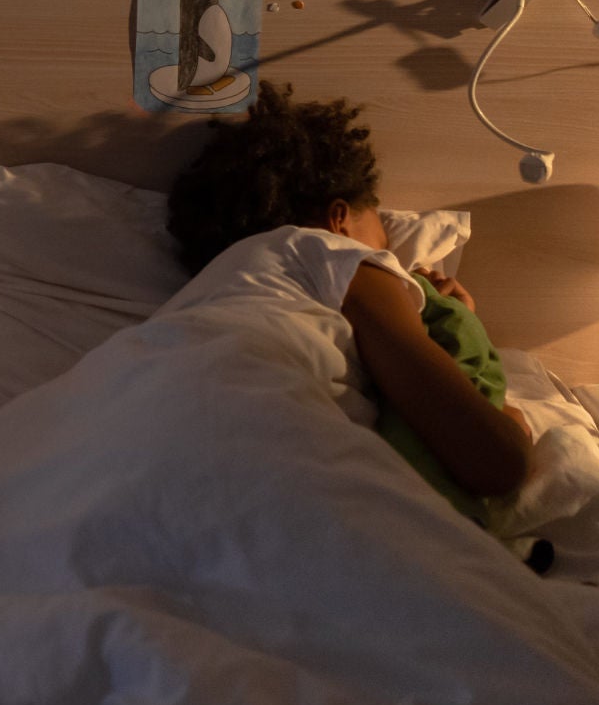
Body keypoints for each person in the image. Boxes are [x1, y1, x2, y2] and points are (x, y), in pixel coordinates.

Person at [164, 82, 533, 509]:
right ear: (339, 219)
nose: (390, 257)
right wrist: (462, 331)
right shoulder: (330, 253)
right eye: (381, 237)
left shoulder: (200, 296)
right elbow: (494, 459)